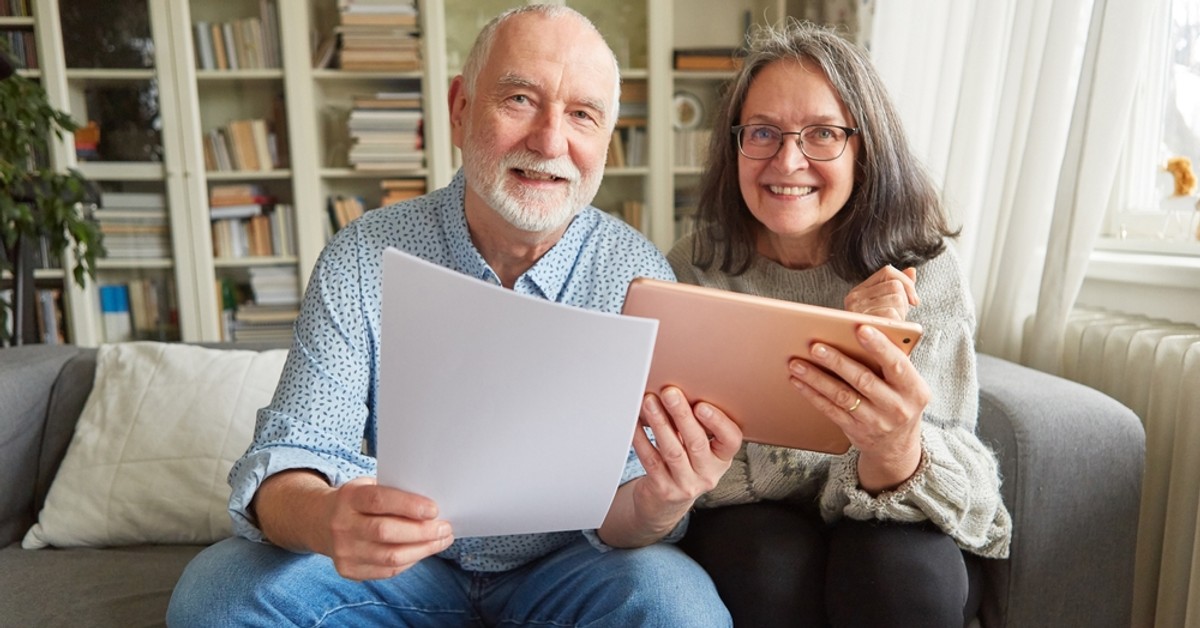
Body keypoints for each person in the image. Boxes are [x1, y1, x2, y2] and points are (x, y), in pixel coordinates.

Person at [167, 6, 740, 626]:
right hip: (402, 573)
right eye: (519, 99)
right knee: (218, 595)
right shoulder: (365, 254)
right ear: (461, 108)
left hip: (572, 570)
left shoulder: (638, 275)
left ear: (606, 136)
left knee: (680, 609)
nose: (550, 141)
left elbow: (624, 518)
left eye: (582, 114)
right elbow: (292, 455)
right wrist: (326, 519)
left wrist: (662, 499)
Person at [665, 20, 1013, 628]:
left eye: (822, 133)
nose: (787, 160)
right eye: (764, 132)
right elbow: (691, 477)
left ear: (864, 147)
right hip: (754, 535)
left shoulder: (921, 268)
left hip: (899, 521)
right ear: (735, 144)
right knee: (763, 563)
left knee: (897, 571)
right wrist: (847, 417)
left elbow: (972, 493)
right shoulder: (694, 268)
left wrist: (896, 443)